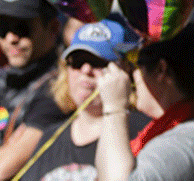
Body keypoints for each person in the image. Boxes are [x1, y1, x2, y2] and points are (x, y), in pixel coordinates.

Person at [95, 22, 194, 181]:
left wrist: (114, 108)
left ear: (160, 70)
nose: (131, 75)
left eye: (135, 65)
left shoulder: (185, 143)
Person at [20, 14, 150, 181]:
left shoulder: (145, 131)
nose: (86, 70)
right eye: (77, 61)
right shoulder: (50, 135)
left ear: (126, 70)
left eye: (98, 61)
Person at [0, 0, 67, 180]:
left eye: (21, 28)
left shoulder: (59, 86)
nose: (11, 38)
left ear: (53, 28)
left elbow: (1, 170)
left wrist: (6, 153)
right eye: (3, 29)